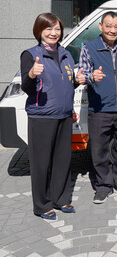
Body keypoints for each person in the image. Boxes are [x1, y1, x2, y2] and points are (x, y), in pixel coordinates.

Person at [20, 13, 85, 219]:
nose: (53, 33)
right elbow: (27, 87)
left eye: (57, 29)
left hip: (64, 115)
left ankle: (61, 199)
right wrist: (31, 75)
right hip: (42, 116)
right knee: (41, 163)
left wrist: (77, 80)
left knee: (62, 160)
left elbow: (65, 82)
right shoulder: (30, 55)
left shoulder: (66, 53)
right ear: (39, 31)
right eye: (48, 29)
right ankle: (42, 205)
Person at [79, 11, 117, 204]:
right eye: (109, 26)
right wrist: (92, 77)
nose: (113, 30)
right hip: (99, 109)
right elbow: (82, 74)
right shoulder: (89, 48)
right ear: (101, 27)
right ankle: (103, 187)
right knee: (99, 150)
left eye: (116, 27)